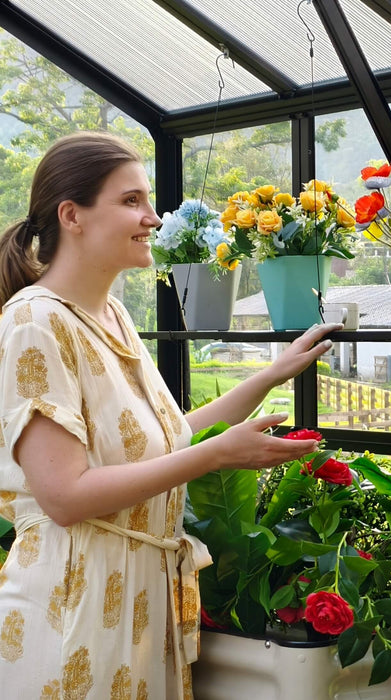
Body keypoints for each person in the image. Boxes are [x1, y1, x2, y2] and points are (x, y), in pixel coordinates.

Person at [0, 131, 340, 699]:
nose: (153, 219)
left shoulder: (111, 316)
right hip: (72, 607)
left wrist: (275, 372)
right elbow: (65, 495)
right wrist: (215, 455)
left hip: (135, 603)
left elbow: (168, 436)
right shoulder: (35, 323)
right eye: (131, 201)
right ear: (72, 215)